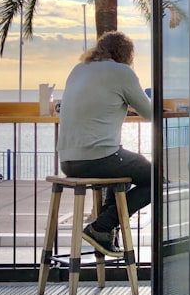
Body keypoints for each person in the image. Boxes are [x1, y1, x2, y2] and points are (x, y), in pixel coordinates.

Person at [57, 31, 154, 256]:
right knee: (155, 179)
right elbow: (150, 112)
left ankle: (106, 232)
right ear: (126, 54)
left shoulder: (78, 69)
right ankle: (102, 227)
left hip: (68, 161)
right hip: (98, 158)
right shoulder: (121, 72)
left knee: (125, 170)